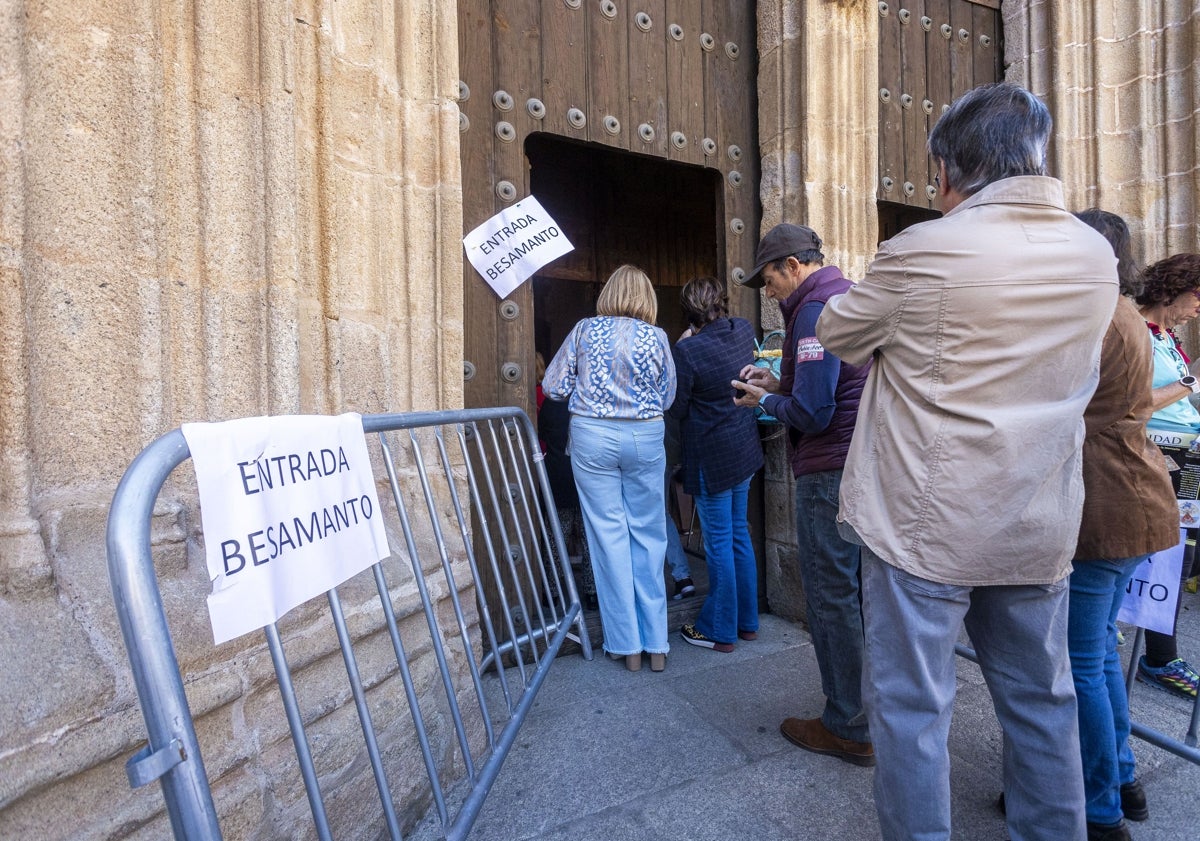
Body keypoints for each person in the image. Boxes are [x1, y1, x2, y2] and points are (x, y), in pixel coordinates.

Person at [814, 82, 1119, 841]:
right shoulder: (1094, 253)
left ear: (948, 171)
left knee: (914, 708)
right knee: (1043, 703)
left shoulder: (923, 248)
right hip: (1037, 518)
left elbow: (839, 331)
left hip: (928, 523)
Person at [734, 224, 874, 765]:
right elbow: (825, 387)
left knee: (831, 595)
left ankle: (848, 726)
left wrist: (763, 405)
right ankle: (867, 712)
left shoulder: (816, 312)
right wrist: (774, 384)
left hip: (829, 472)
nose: (768, 293)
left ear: (794, 265)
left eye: (770, 279)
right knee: (856, 594)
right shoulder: (844, 297)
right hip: (857, 463)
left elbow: (816, 413)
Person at [1063, 209, 1179, 840]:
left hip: (1108, 504)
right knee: (1099, 652)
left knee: (1085, 659)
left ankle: (1100, 807)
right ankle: (1123, 778)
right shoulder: (1124, 313)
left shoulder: (1097, 318)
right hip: (1132, 498)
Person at [542, 264, 677, 673]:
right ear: (647, 298)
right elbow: (668, 395)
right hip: (645, 436)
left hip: (593, 436)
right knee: (650, 535)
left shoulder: (584, 330)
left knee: (608, 535)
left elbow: (552, 386)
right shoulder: (657, 337)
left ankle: (625, 646)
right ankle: (656, 643)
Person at [668, 276, 763, 652]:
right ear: (721, 302)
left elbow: (676, 409)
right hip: (743, 451)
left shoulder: (687, 351)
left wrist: (680, 347)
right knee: (739, 535)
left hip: (711, 458)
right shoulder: (742, 329)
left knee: (719, 542)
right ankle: (747, 622)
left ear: (689, 312)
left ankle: (719, 630)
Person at [1135, 253, 1200, 700]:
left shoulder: (1166, 336)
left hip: (1186, 457)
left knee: (1182, 556)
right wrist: (1193, 381)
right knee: (1167, 558)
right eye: (1197, 296)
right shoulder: (1134, 332)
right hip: (1159, 454)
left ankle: (1159, 653)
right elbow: (1136, 401)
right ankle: (1160, 659)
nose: (1199, 307)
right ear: (1172, 288)